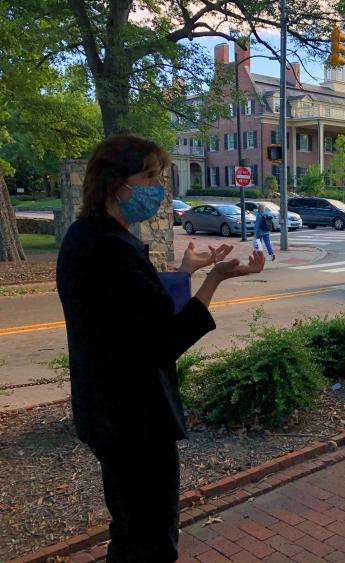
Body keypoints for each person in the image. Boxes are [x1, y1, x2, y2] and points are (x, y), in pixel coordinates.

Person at [56, 134, 266, 562]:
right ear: (115, 181)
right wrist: (214, 280)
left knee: (130, 529)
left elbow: (140, 313)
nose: (158, 188)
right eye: (149, 176)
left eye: (161, 177)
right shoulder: (109, 250)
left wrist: (185, 270)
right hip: (132, 419)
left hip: (110, 412)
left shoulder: (90, 236)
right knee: (150, 539)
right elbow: (163, 340)